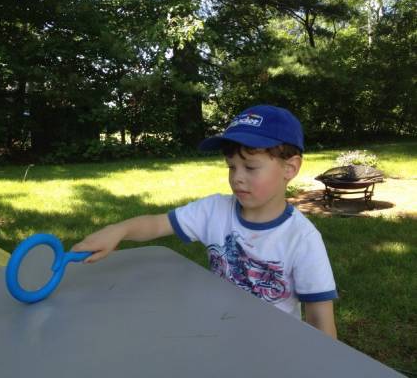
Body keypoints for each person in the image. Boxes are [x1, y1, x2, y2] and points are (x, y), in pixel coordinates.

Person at [72, 104, 338, 338]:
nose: (237, 177)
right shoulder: (214, 210)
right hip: (217, 331)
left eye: (250, 167)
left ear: (290, 168)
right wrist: (118, 230)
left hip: (273, 345)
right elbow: (157, 224)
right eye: (231, 166)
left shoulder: (302, 239)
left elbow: (320, 319)